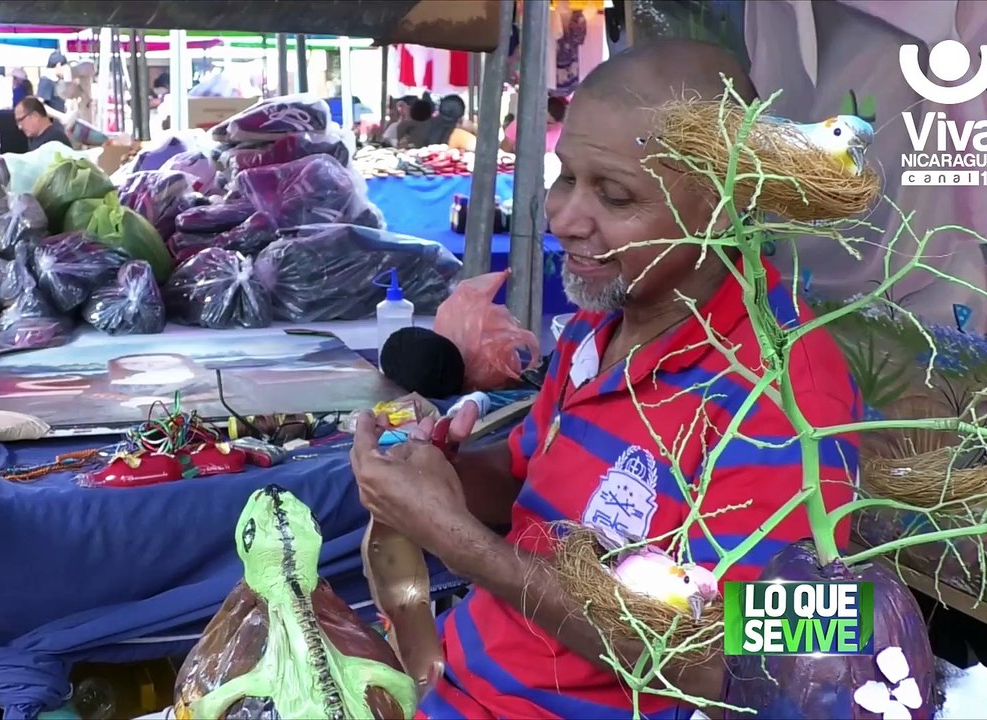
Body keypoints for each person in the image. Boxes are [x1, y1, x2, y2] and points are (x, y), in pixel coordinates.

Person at [349, 39, 861, 719]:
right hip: (462, 688)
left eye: (614, 195)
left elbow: (759, 661)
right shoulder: (602, 326)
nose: (562, 218)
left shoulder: (793, 393)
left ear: (722, 204)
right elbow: (532, 485)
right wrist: (444, 472)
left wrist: (457, 542)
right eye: (565, 177)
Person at [407, 94, 476, 151]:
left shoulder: (424, 125)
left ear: (439, 111)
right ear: (460, 118)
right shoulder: (460, 136)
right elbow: (481, 148)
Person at [502, 95, 567, 154]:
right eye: (541, 120)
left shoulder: (562, 133)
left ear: (558, 123)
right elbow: (505, 150)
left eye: (548, 123)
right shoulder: (520, 124)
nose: (542, 125)